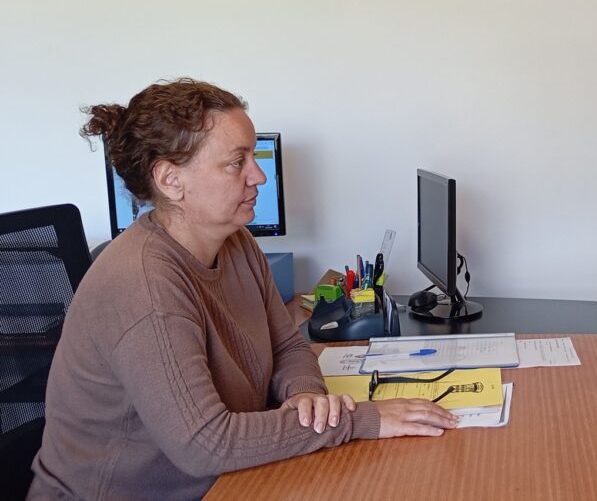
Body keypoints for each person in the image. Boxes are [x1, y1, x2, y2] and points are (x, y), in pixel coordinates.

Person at [28, 79, 457, 500]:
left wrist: (307, 397)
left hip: (223, 481)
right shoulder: (143, 284)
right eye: (237, 162)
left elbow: (287, 346)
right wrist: (359, 420)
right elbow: (205, 443)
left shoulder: (237, 243)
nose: (259, 176)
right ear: (170, 180)